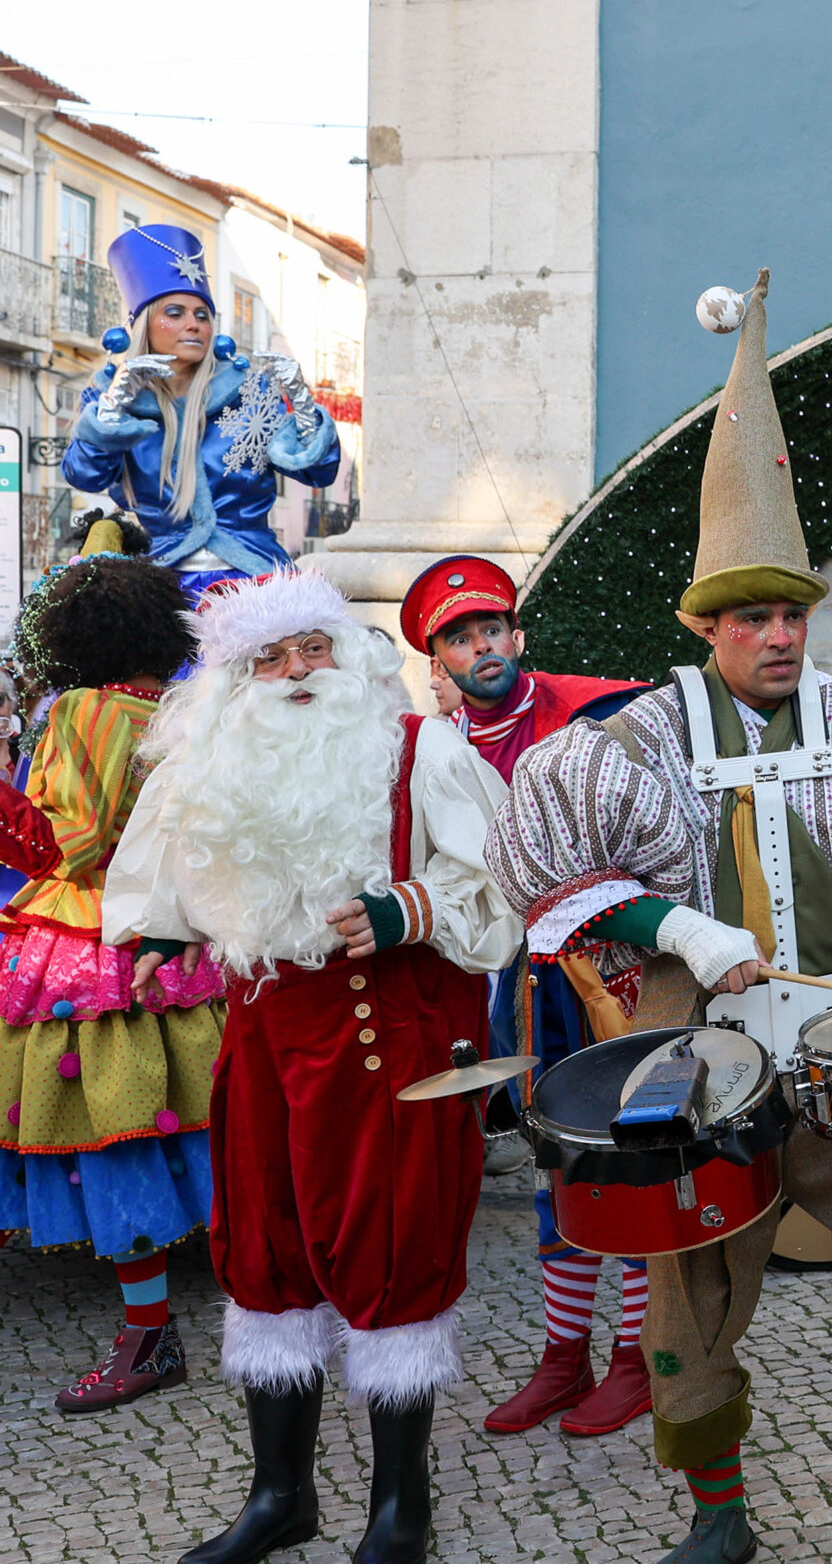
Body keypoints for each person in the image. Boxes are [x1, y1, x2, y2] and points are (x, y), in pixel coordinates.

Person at [486, 271, 832, 1564]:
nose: (780, 633)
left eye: (793, 611)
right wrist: (677, 924)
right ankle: (719, 1528)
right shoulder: (642, 734)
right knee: (689, 1300)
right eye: (754, 615)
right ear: (710, 625)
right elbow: (550, 868)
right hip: (701, 1054)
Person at [101, 568, 521, 1564]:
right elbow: (160, 878)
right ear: (233, 678)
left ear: (350, 654)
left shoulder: (420, 754)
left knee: (389, 1257)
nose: (295, 672)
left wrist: (404, 908)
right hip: (264, 1040)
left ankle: (398, 1511)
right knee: (266, 1259)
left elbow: (499, 885)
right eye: (267, 657)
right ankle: (280, 1495)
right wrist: (162, 935)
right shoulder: (206, 769)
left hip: (386, 1045)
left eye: (312, 648)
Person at [397, 555, 655, 1435]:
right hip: (520, 985)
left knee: (631, 1159)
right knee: (556, 1164)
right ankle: (562, 1357)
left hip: (616, 968)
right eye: (461, 640)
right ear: (442, 664)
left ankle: (638, 1359)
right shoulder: (431, 749)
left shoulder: (602, 711)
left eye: (492, 629)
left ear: (518, 635)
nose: (483, 648)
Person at [0, 532, 225, 1411]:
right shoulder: (177, 708)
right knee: (196, 1124)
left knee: (114, 1133)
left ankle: (148, 1334)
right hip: (184, 937)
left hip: (93, 943)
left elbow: (66, 845)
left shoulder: (80, 712)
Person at [68, 225, 341, 599]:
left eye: (202, 314)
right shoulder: (109, 399)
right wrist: (116, 405)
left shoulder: (251, 393)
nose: (194, 324)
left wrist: (302, 402)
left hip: (257, 584)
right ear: (145, 324)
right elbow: (85, 475)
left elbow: (318, 471)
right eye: (176, 313)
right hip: (163, 593)